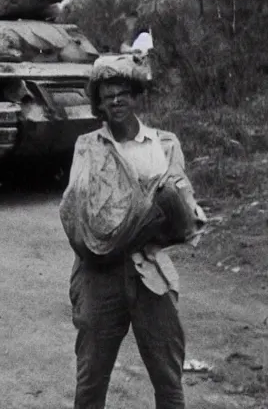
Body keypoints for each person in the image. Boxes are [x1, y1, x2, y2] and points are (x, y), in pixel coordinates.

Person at [59, 54, 208, 409]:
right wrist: (146, 215)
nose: (116, 101)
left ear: (136, 95)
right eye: (107, 95)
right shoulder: (88, 147)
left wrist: (146, 217)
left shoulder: (165, 144)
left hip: (150, 272)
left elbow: (181, 211)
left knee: (169, 382)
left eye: (123, 92)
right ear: (98, 103)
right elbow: (81, 216)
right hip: (100, 276)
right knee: (91, 382)